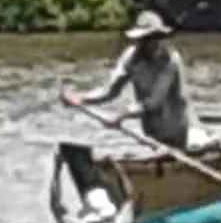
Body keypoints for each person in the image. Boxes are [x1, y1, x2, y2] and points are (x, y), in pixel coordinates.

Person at [68, 10, 195, 149]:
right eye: (145, 39)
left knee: (171, 154)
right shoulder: (131, 57)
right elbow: (109, 91)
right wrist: (82, 97)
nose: (151, 43)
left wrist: (122, 114)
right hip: (150, 131)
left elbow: (153, 103)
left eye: (155, 38)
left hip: (174, 129)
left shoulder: (170, 61)